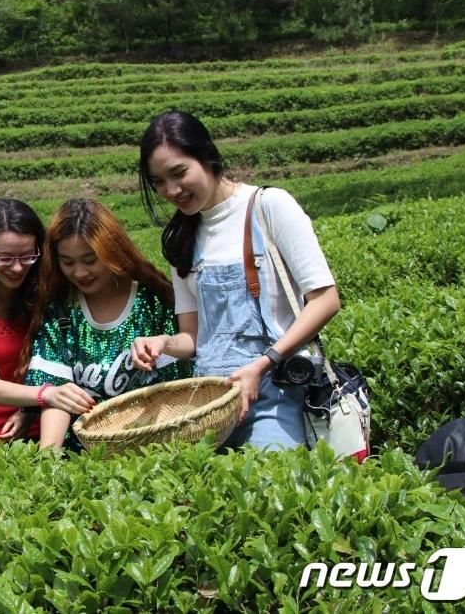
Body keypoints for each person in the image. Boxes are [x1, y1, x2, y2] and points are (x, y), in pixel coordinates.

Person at [131, 111, 340, 450]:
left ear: (208, 157)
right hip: (210, 404)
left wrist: (262, 364)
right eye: (158, 181)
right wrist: (163, 343)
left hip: (275, 392)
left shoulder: (269, 206)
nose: (171, 190)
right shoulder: (180, 239)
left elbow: (326, 300)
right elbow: (194, 338)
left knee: (270, 489)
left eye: (179, 173)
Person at [21, 198, 192, 450]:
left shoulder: (152, 301)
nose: (79, 272)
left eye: (90, 260)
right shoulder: (61, 311)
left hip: (147, 447)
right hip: (81, 452)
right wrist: (48, 460)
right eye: (67, 262)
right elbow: (57, 397)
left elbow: (175, 392)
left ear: (111, 251)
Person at [0, 199, 95, 444]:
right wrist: (47, 394)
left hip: (35, 430)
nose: (17, 267)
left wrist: (29, 410)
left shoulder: (45, 296)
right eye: (5, 258)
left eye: (28, 256)